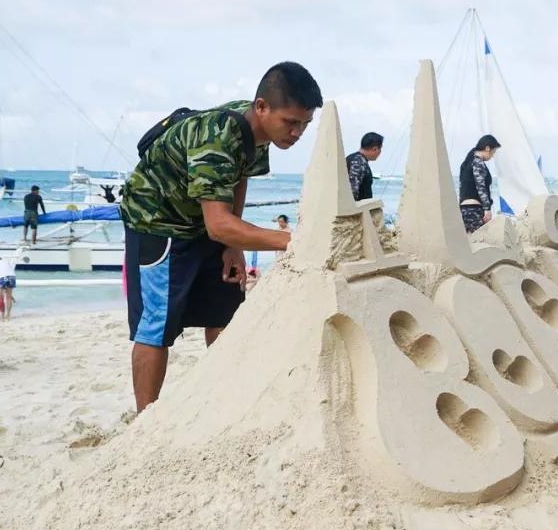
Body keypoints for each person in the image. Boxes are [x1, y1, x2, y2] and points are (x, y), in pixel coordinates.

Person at [120, 61, 323, 412]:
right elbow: (217, 223)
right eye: (291, 122)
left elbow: (237, 175)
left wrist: (234, 243)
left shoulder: (259, 132)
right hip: (158, 222)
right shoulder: (215, 135)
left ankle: (227, 403)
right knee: (157, 325)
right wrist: (297, 241)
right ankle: (145, 421)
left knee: (225, 311)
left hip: (203, 218)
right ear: (261, 107)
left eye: (304, 124)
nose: (296, 133)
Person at [458, 134, 501, 233]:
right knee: (481, 242)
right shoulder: (478, 163)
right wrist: (487, 209)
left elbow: (462, 186)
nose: (492, 156)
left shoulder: (466, 163)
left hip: (463, 209)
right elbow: (480, 187)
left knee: (468, 244)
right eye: (493, 152)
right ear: (487, 148)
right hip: (475, 209)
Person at [346, 132, 383, 201]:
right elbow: (352, 191)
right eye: (380, 149)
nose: (380, 152)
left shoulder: (354, 158)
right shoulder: (358, 161)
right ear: (375, 149)